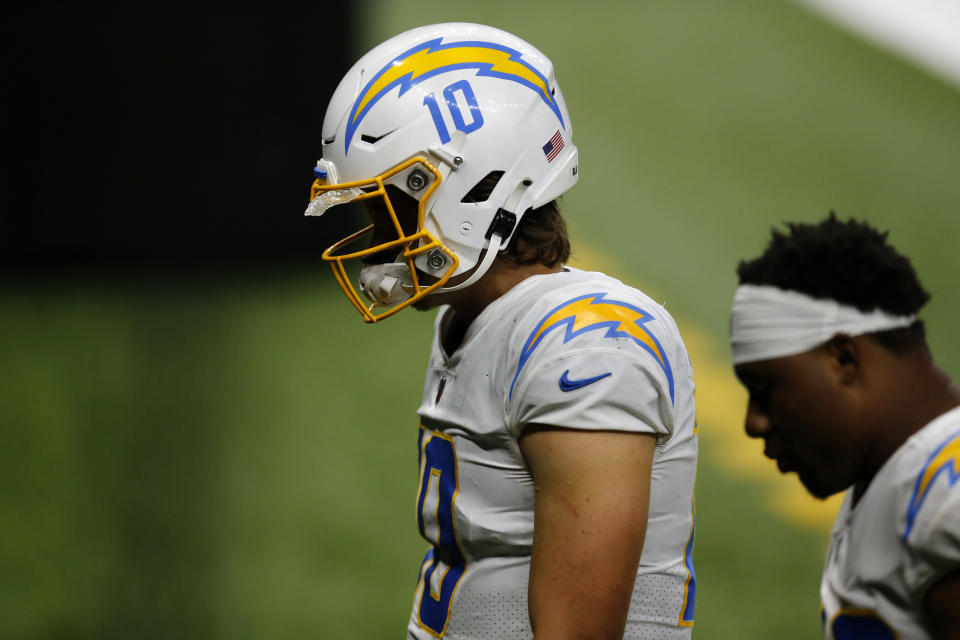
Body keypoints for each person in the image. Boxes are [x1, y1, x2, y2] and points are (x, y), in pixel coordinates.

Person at [305, 22, 698, 639]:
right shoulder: (474, 317)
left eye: (388, 207)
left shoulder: (588, 341)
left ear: (472, 186)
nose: (380, 241)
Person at [729, 214, 960, 639]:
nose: (753, 423)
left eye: (765, 389)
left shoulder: (947, 494)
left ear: (843, 359)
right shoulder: (890, 478)